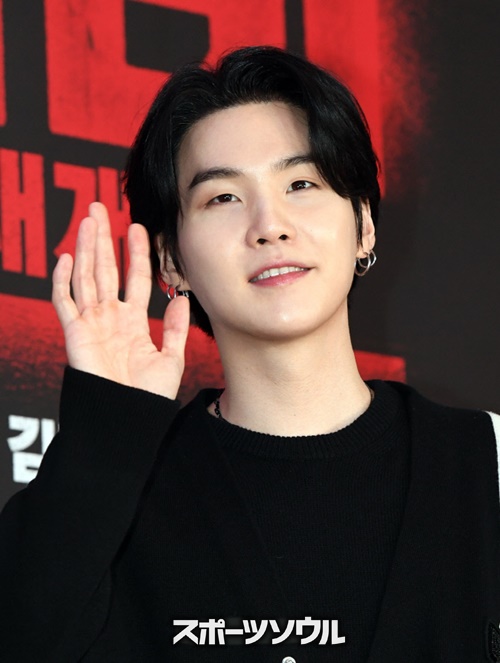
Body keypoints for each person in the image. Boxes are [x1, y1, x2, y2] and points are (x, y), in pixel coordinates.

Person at [1, 45, 499, 663]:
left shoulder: (485, 463)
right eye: (222, 198)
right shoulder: (117, 491)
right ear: (171, 261)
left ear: (364, 225)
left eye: (301, 183)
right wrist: (104, 437)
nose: (270, 225)